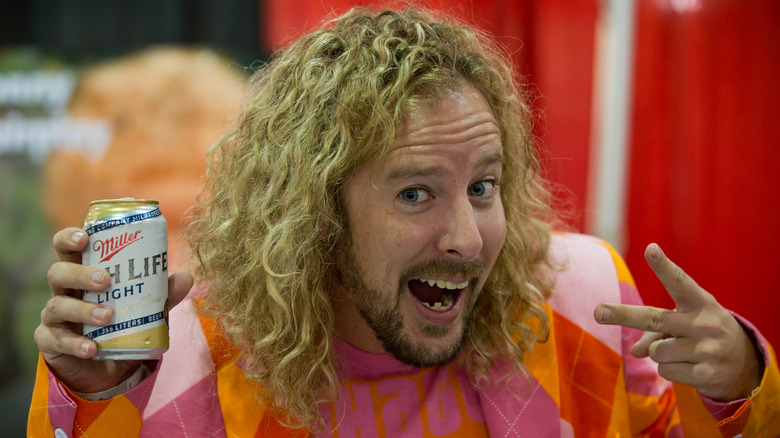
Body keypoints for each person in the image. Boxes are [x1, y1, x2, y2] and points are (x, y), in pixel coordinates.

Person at [29, 7, 778, 437]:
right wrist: (94, 399)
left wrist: (739, 384)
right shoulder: (191, 357)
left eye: (483, 186)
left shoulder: (579, 299)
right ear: (314, 212)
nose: (469, 235)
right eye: (416, 194)